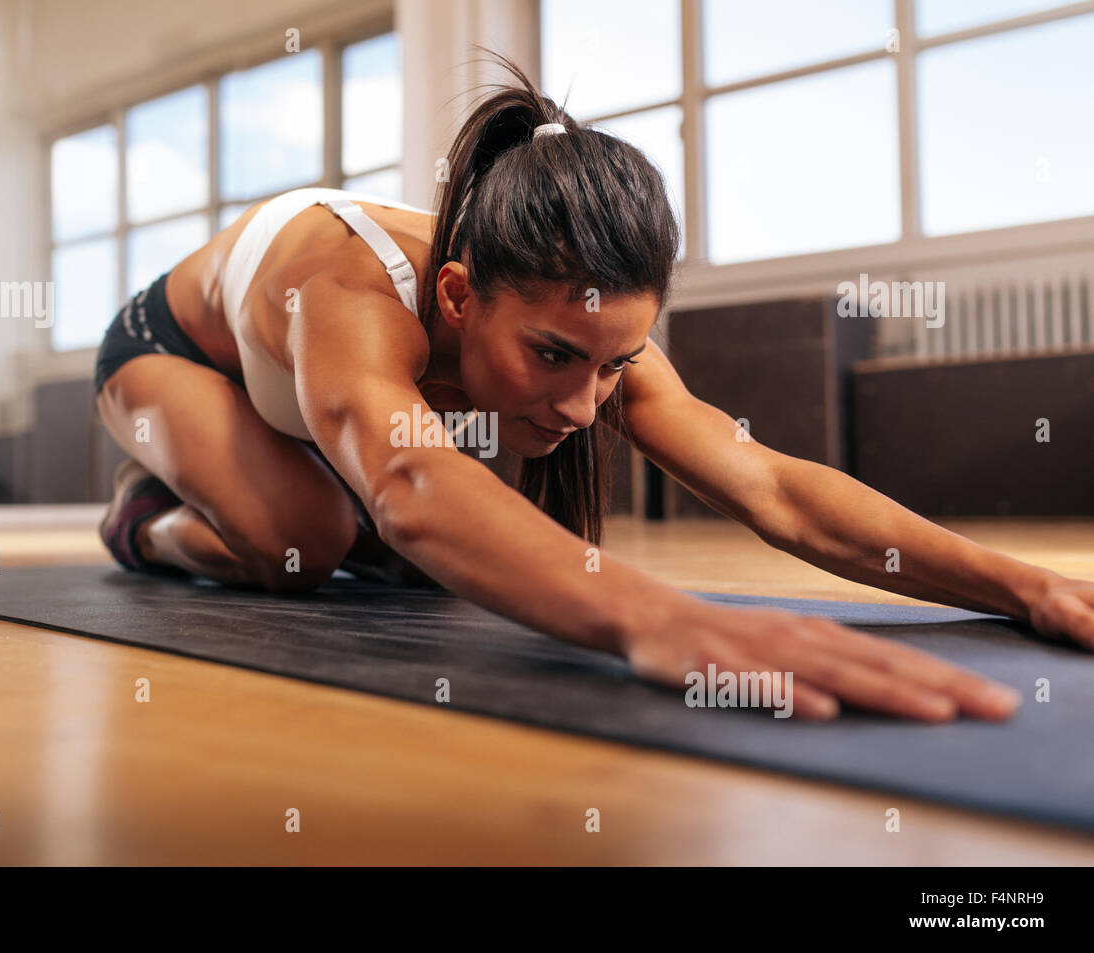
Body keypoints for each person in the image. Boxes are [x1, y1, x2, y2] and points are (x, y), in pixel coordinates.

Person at [94, 50, 1094, 723]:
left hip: (326, 407)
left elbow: (769, 486)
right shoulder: (347, 287)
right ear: (454, 296)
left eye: (613, 362)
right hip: (171, 358)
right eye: (553, 358)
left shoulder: (579, 311)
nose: (584, 404)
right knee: (303, 541)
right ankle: (145, 518)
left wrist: (1016, 582)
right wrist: (659, 617)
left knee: (422, 533)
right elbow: (404, 482)